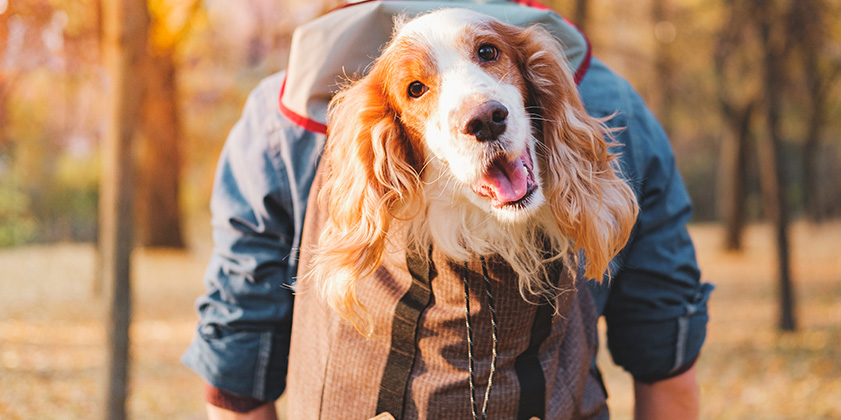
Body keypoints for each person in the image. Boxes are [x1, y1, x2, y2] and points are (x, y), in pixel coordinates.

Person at [182, 1, 713, 419]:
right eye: (416, 88)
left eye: (487, 53)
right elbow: (666, 350)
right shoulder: (613, 93)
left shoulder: (276, 119)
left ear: (530, 78)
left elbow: (236, 364)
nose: (480, 107)